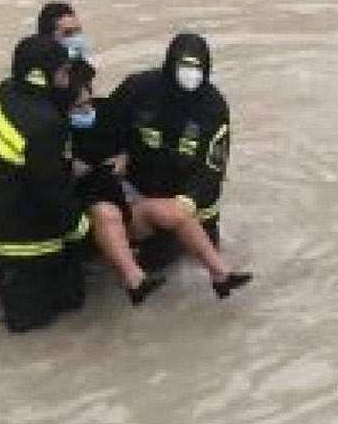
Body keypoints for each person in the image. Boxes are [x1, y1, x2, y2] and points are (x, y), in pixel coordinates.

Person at [104, 33, 253, 298]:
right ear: (170, 64)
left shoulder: (213, 107)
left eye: (197, 68)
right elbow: (105, 126)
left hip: (192, 204)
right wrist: (120, 152)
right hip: (144, 195)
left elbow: (213, 168)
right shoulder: (139, 89)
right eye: (184, 67)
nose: (190, 74)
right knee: (154, 266)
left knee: (191, 269)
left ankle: (218, 273)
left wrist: (187, 203)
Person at [0, 35, 92, 333]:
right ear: (39, 75)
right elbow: (52, 193)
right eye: (62, 72)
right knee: (34, 329)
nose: (66, 79)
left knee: (68, 297)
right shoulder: (45, 124)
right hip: (16, 244)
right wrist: (83, 229)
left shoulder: (3, 93)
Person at [65, 61, 166, 305]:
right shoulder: (53, 131)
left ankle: (220, 273)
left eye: (89, 102)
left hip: (115, 187)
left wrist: (124, 156)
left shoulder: (107, 111)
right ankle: (135, 280)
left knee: (167, 211)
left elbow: (132, 140)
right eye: (79, 107)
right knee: (106, 213)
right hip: (86, 198)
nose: (88, 109)